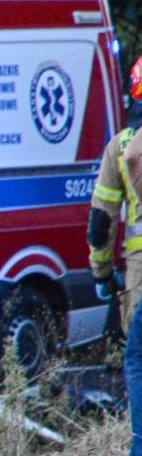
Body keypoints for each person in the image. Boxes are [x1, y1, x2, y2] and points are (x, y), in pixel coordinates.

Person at [89, 57, 142, 337]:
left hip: (140, 275)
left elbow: (101, 221)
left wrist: (102, 273)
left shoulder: (120, 147)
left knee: (137, 360)